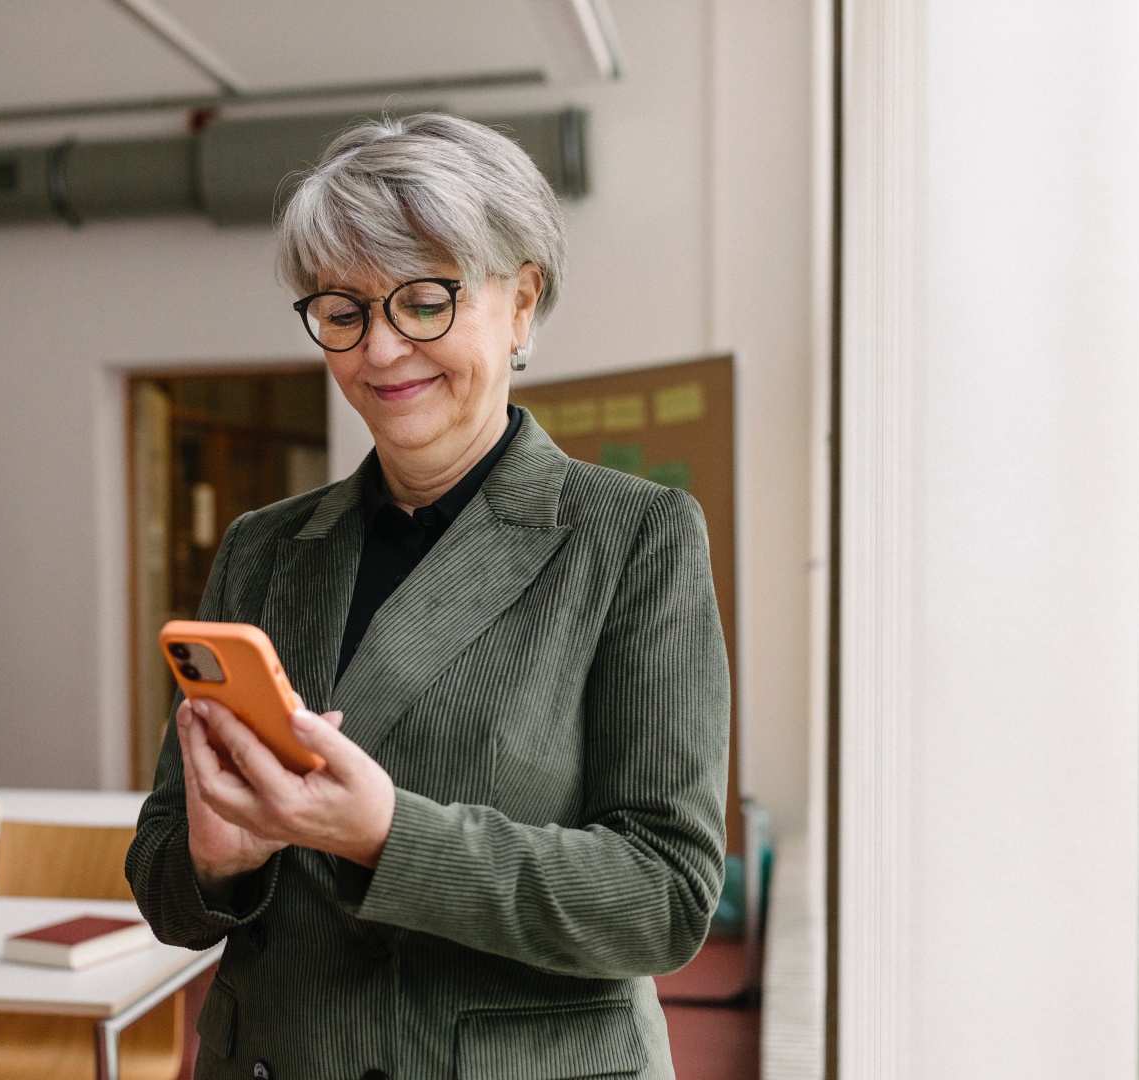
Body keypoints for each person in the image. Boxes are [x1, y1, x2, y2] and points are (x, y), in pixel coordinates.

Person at [127, 112, 729, 1080]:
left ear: (522, 302)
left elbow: (666, 895)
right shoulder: (264, 549)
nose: (380, 351)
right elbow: (164, 884)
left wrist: (391, 838)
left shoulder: (634, 538)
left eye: (423, 301)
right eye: (342, 310)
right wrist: (218, 862)